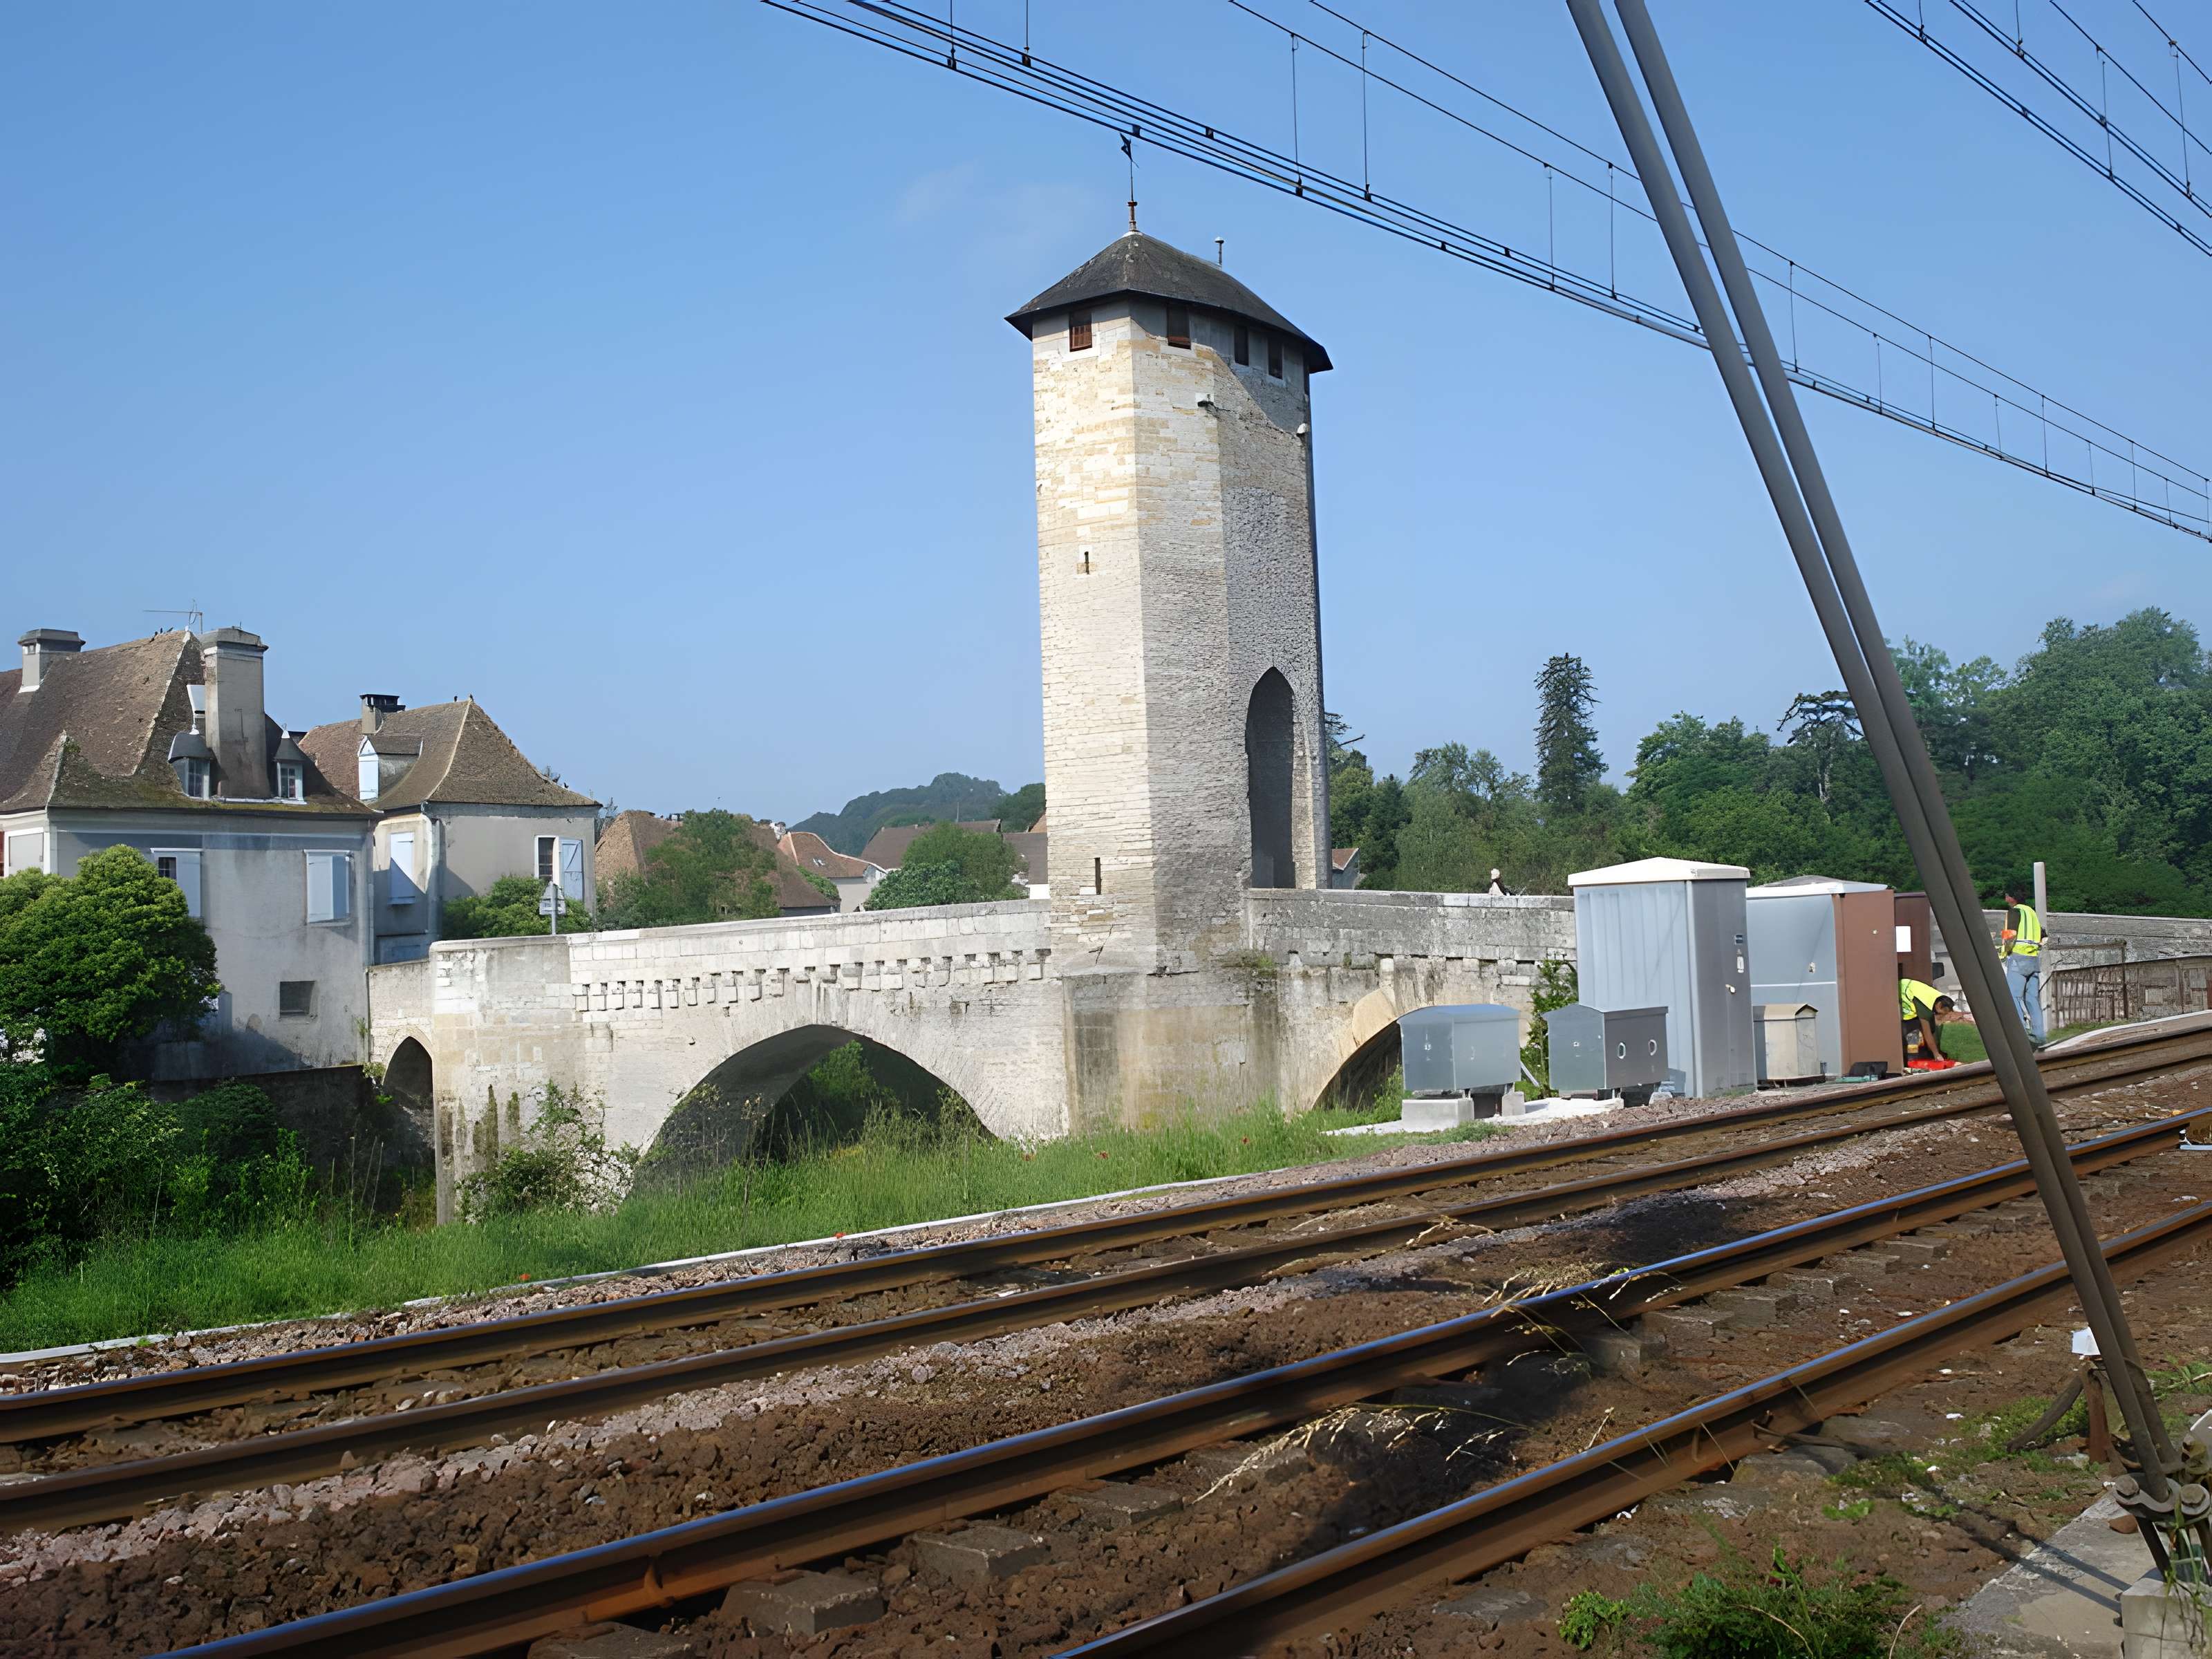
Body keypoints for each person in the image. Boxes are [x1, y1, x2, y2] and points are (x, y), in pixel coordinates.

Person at [2000, 885, 2047, 1045]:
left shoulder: (2014, 912)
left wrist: (2004, 953)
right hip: (2033, 961)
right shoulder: (2031, 912)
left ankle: (2021, 1035)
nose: (2005, 899)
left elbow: (2010, 935)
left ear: (2012, 897)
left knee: (2012, 998)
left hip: (2018, 960)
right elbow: (2044, 936)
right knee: (2032, 1000)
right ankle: (2040, 1036)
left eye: (2007, 895)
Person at [1900, 977, 1959, 1063]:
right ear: (1939, 1006)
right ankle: (1913, 1060)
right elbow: (1927, 1033)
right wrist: (1936, 1054)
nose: (1943, 1016)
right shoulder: (1925, 1006)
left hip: (1910, 989)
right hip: (1900, 991)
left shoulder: (1939, 998)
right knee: (1913, 1031)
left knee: (1926, 1027)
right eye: (1943, 1013)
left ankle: (1927, 1053)